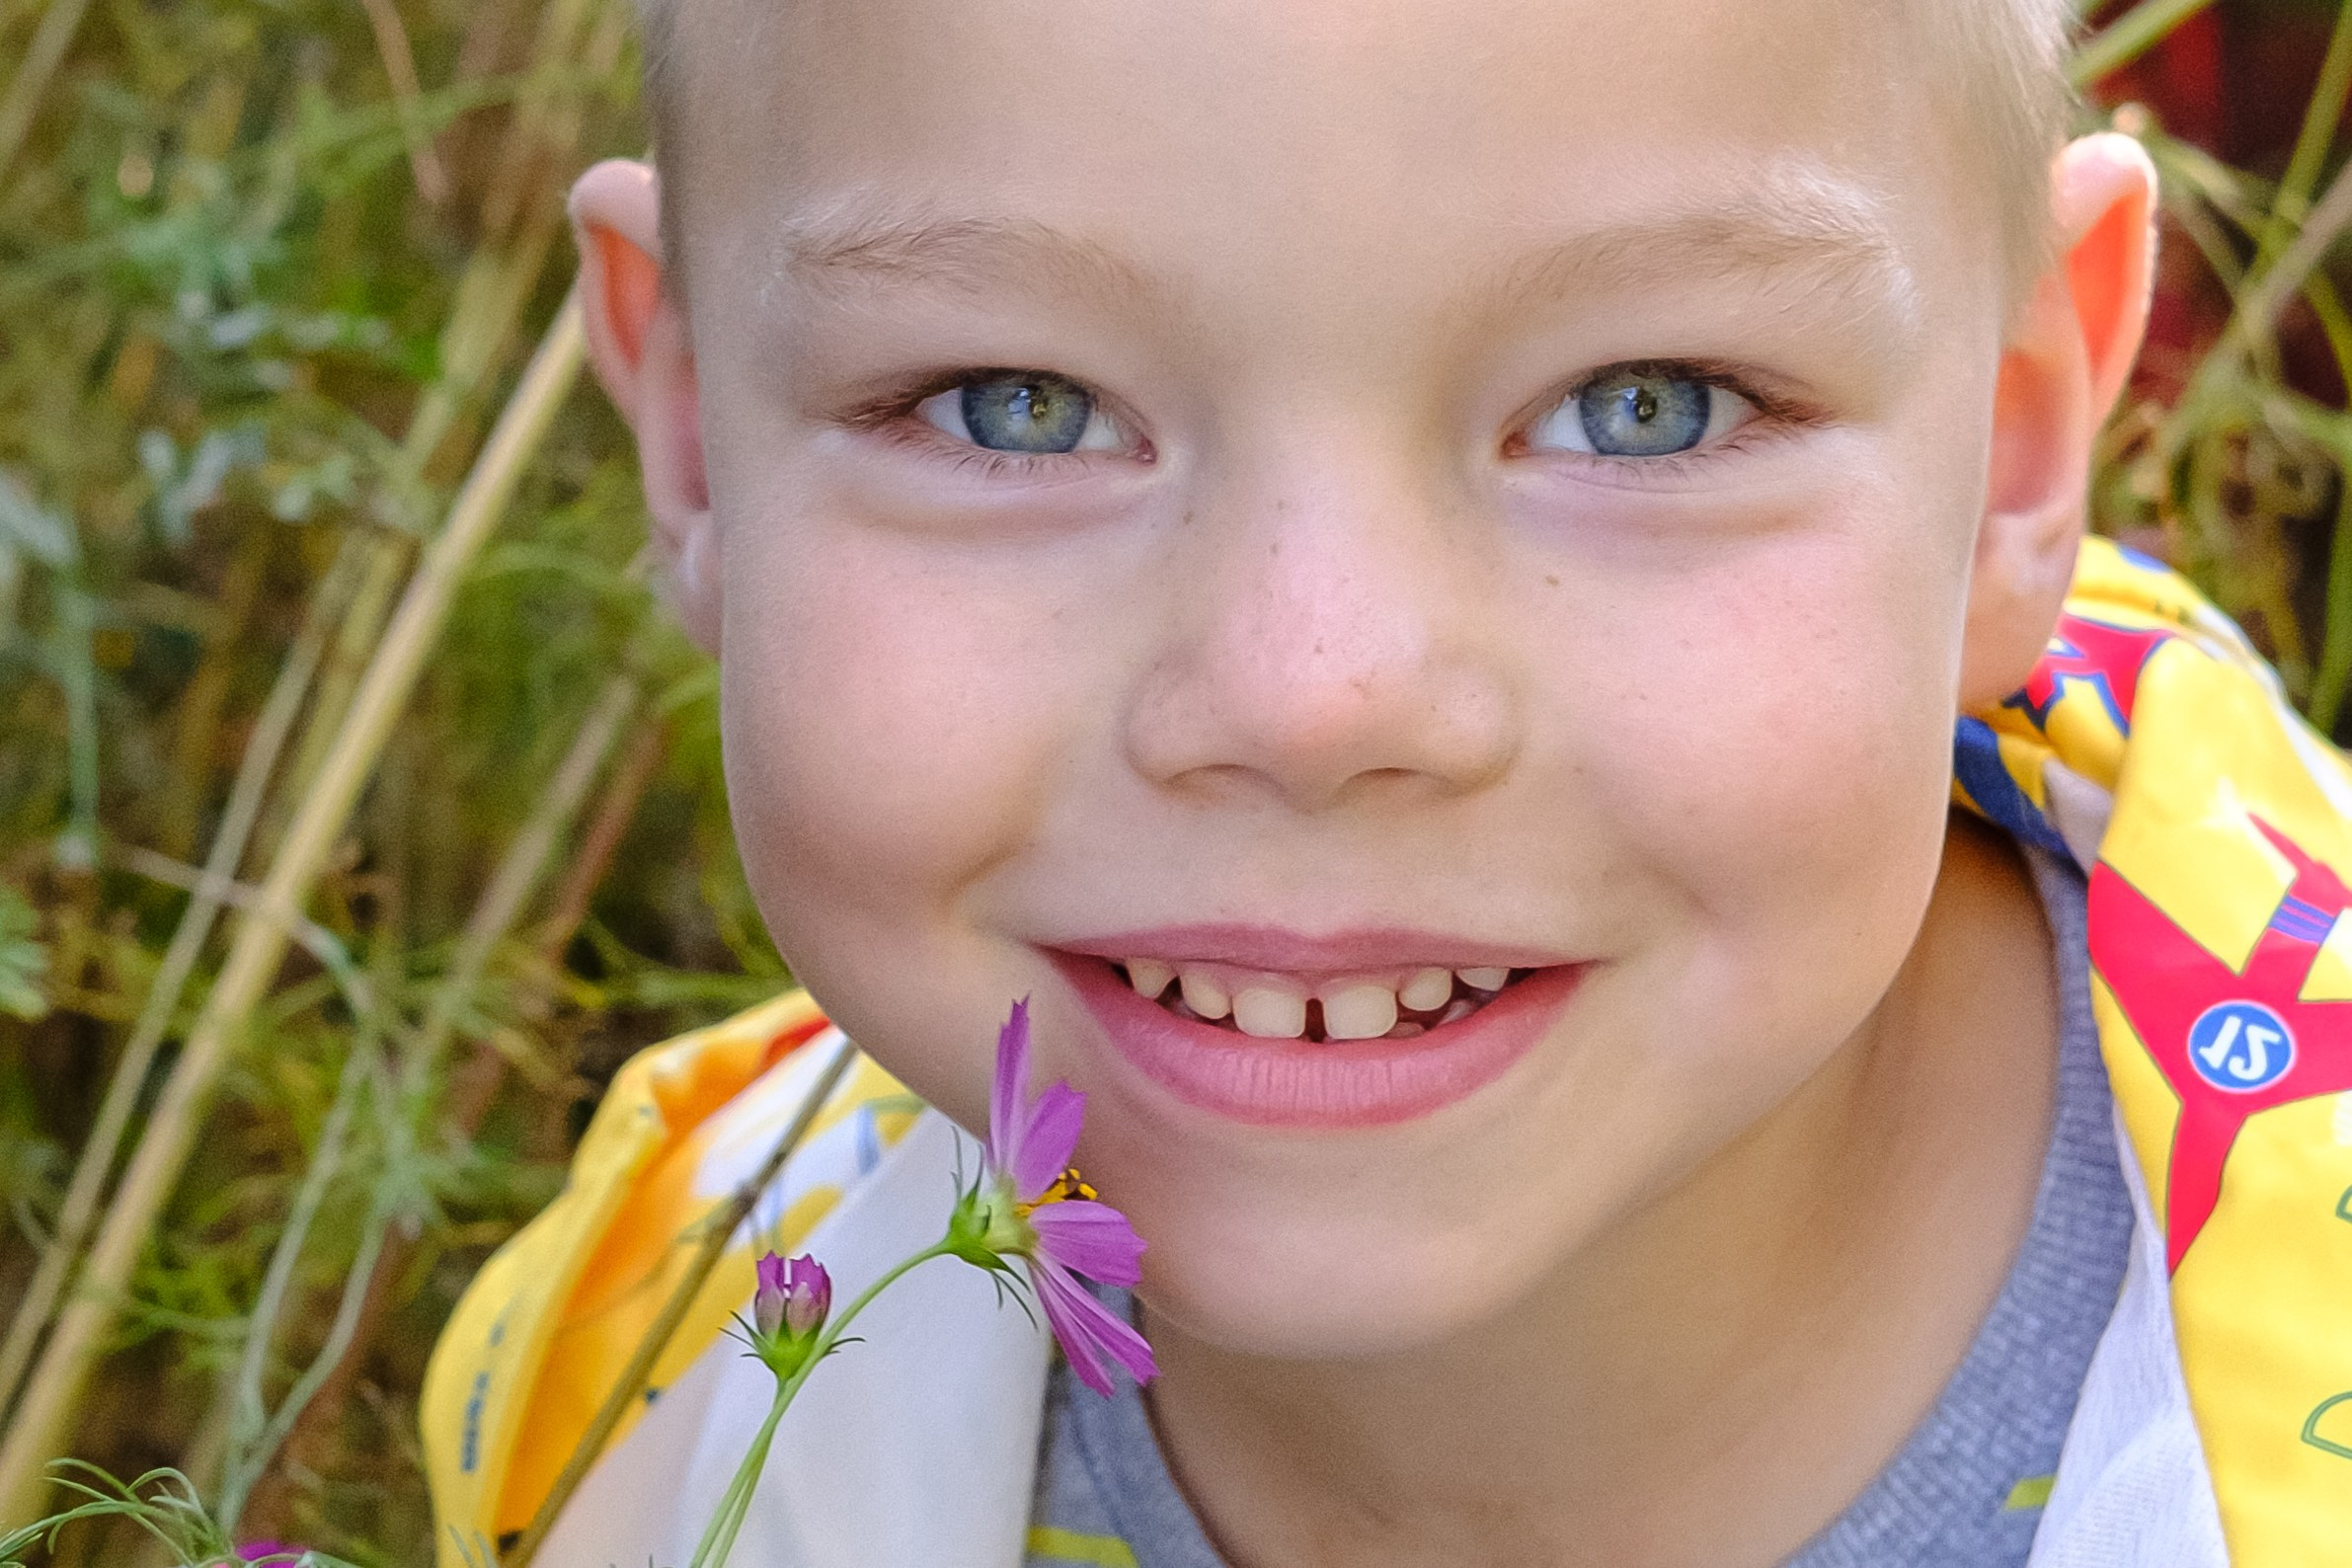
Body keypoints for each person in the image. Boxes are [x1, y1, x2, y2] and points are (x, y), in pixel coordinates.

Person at [419, 1, 2352, 1563]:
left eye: (1643, 405)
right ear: (692, 439)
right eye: (1014, 404)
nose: (1310, 691)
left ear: (2015, 447)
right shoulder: (639, 1399)